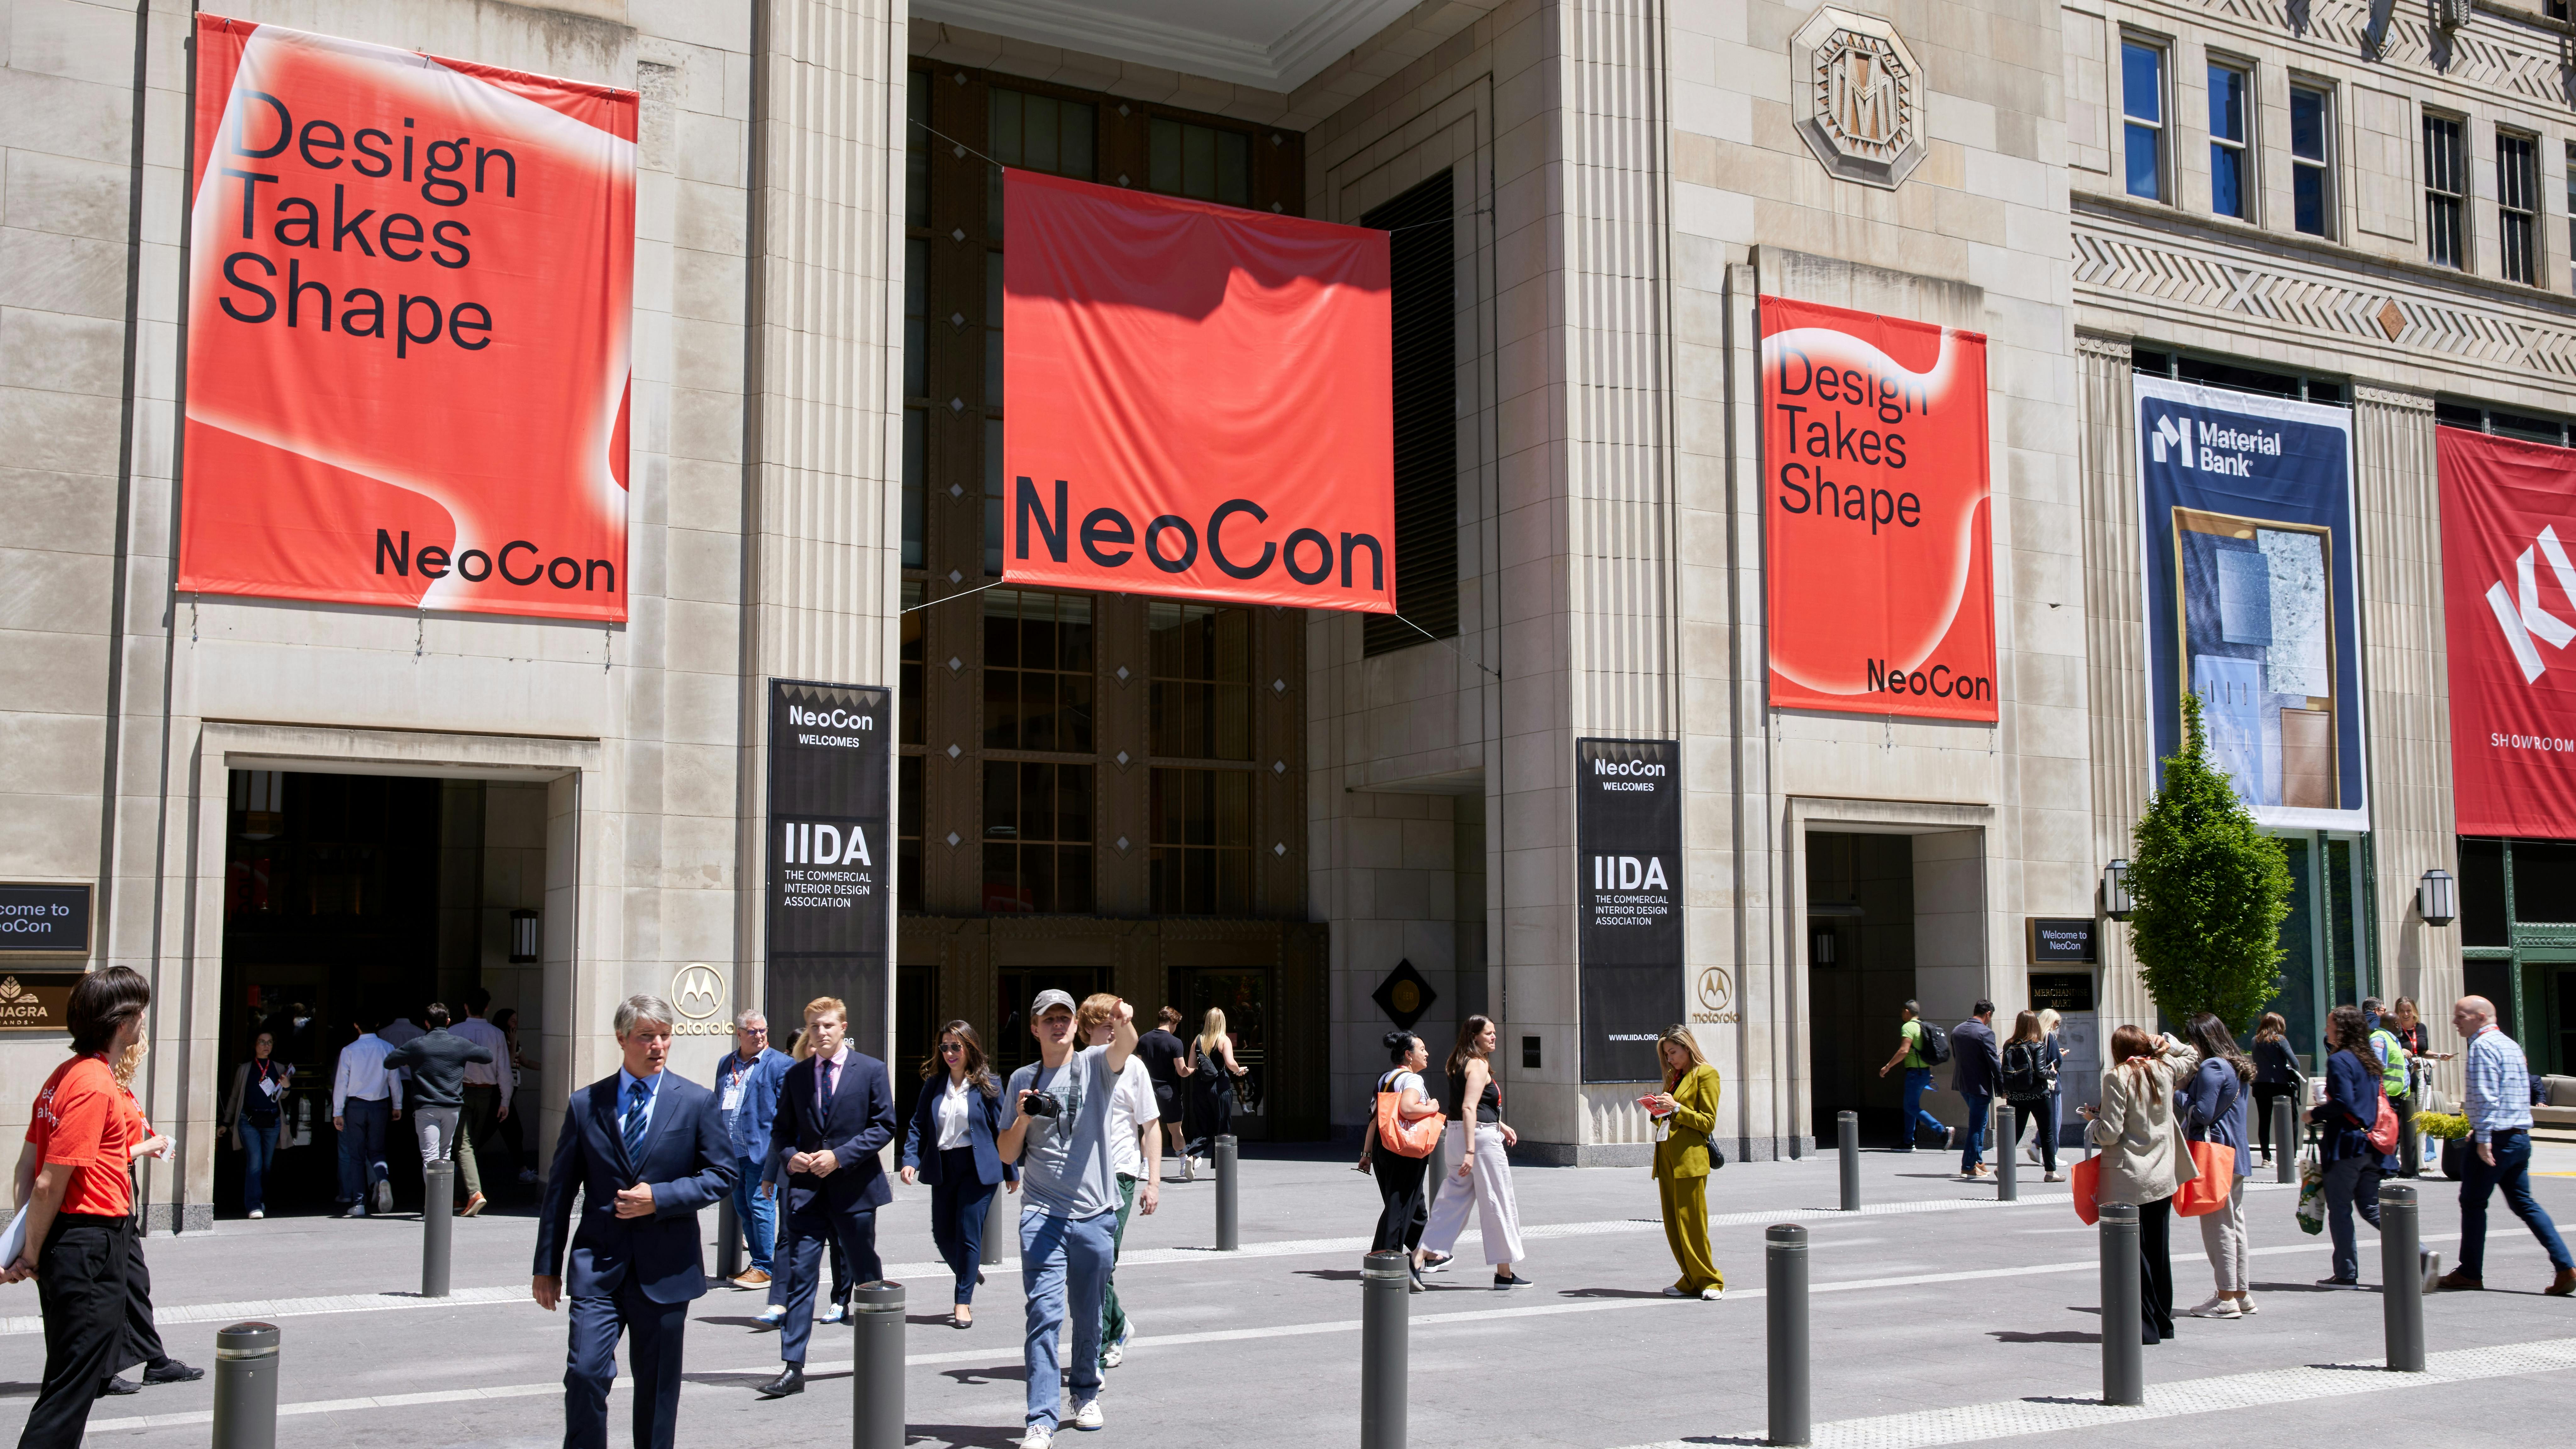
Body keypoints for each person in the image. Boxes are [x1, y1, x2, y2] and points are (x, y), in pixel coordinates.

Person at [531, 994, 735, 1449]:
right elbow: (560, 1192)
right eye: (647, 1037)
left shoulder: (696, 1102)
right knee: (584, 1374)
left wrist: (659, 1199)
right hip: (598, 1267)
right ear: (622, 1039)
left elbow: (723, 1175)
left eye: (665, 1036)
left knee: (658, 1391)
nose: (658, 1045)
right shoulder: (587, 1104)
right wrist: (546, 1266)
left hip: (667, 1270)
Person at [6, 966, 152, 1449]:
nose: (143, 1023)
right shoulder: (92, 1082)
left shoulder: (62, 1077)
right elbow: (49, 1181)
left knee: (68, 1375)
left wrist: (30, 1244)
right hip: (89, 1242)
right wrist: (28, 1253)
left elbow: (26, 1170)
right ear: (122, 1021)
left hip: (74, 1243)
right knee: (74, 1385)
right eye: (140, 1013)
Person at [997, 990, 1141, 1449]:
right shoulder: (1023, 1078)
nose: (1058, 1026)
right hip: (1042, 1215)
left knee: (1089, 1313)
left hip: (1095, 1213)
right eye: (1048, 1020)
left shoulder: (1095, 1064)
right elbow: (1006, 1152)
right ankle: (1040, 1418)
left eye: (1064, 1018)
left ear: (1074, 1026)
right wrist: (1022, 1117)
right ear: (1035, 1028)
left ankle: (1084, 1392)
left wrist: (1125, 1019)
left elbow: (1126, 1046)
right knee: (1043, 1315)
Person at [755, 997, 896, 1399]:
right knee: (801, 1277)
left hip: (854, 1191)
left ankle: (878, 1355)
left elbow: (884, 1125)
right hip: (806, 1195)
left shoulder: (869, 1070)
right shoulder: (797, 1076)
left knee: (866, 1274)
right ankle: (792, 1366)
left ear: (843, 1027)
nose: (821, 1033)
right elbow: (781, 1132)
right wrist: (790, 1157)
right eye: (815, 1027)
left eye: (829, 1026)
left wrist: (840, 1157)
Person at [2436, 995, 2576, 1295]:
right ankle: (2565, 1266)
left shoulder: (2482, 1047)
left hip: (2496, 1139)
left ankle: (2470, 1273)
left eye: (2461, 1016)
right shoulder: (2511, 1045)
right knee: (2525, 1203)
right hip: (2519, 1137)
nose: (2455, 1022)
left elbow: (2486, 1096)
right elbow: (2516, 1090)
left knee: (2473, 1203)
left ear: (2481, 1017)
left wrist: (2483, 1138)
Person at [2080, 1024, 2200, 1344]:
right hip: (2161, 1175)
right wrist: (2165, 1046)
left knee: (2134, 1254)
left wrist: (2093, 1122)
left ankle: (2144, 1327)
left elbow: (2110, 1133)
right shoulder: (2163, 1069)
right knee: (2158, 1250)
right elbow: (2191, 1055)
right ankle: (2163, 1322)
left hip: (2128, 1177)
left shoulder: (2117, 1077)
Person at [99, 1043, 201, 1398]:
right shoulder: (103, 1085)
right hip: (109, 1195)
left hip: (124, 1191)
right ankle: (103, 1369)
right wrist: (144, 1148)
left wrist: (148, 1144)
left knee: (134, 1281)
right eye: (137, 1051)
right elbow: (99, 1152)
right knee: (118, 1285)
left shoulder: (122, 1088)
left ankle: (154, 1360)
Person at [899, 1019, 1016, 1328]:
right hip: (944, 1166)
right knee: (942, 1234)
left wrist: (1011, 1170)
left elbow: (1002, 1129)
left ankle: (962, 1302)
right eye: (945, 1047)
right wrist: (910, 1159)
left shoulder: (987, 1083)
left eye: (956, 1046)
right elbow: (917, 1125)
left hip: (978, 1169)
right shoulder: (934, 1084)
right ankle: (968, 1270)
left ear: (969, 1048)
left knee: (968, 1235)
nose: (950, 1052)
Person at [1421, 1014, 1531, 1289]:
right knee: (1498, 1203)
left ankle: (1418, 1257)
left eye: (1494, 1033)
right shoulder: (1479, 1064)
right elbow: (1471, 1107)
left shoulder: (1458, 1063)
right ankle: (1503, 1274)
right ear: (1475, 1037)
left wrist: (1500, 1125)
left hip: (1458, 1135)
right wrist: (1472, 1150)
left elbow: (1469, 1106)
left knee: (1452, 1202)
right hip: (1478, 1142)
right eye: (1489, 1034)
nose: (1494, 1037)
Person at [1083, 994, 1161, 1371]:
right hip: (1083, 1179)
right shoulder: (1076, 1065)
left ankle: (1098, 1347)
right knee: (1088, 1264)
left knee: (1102, 1262)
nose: (1111, 1032)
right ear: (1086, 1031)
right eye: (1103, 1026)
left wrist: (1153, 1182)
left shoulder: (1134, 1068)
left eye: (1115, 1026)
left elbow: (1151, 1126)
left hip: (1120, 1175)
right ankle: (1118, 1326)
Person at [2309, 1003, 2393, 1289]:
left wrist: (2315, 1114)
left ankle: (2346, 1274)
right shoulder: (2368, 1059)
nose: (2326, 1029)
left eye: (2330, 1024)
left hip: (2346, 1145)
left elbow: (2344, 1102)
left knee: (2341, 1209)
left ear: (2342, 1029)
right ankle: (2418, 1253)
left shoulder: (2340, 1060)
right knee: (2371, 1207)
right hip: (2373, 1143)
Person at [385, 1003, 495, 1213]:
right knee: (444, 1157)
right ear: (448, 1022)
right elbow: (487, 1057)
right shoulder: (459, 1044)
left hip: (427, 1107)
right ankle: (441, 1205)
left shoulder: (418, 1045)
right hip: (453, 1107)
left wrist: (412, 1060)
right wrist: (467, 1048)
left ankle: (434, 1207)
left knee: (430, 1157)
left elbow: (389, 1062)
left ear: (426, 1023)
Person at [2179, 1012, 2254, 1319]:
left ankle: (2225, 1298)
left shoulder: (2212, 1067)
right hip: (2235, 1154)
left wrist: (2178, 1095)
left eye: (2191, 1040)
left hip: (2215, 1154)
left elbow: (2203, 1113)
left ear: (2201, 1040)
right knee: (2234, 1224)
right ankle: (2240, 1293)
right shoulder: (2236, 1066)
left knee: (2217, 1227)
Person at [713, 1010, 791, 1291]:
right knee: (744, 1208)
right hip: (732, 1152)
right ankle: (757, 1263)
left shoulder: (781, 1064)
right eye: (753, 1031)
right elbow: (717, 1100)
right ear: (739, 1034)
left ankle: (764, 1267)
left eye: (763, 1031)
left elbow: (787, 1111)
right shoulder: (726, 1063)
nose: (759, 1036)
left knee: (761, 1207)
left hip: (763, 1150)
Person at [1647, 1024, 1725, 1300]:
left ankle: (1711, 1280)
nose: (1670, 1059)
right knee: (1673, 1223)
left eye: (1673, 1052)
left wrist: (1677, 1108)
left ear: (1687, 1047)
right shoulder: (1674, 1077)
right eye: (1667, 1055)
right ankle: (1691, 1278)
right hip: (1667, 1156)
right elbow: (1666, 1116)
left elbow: (1708, 1122)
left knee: (1692, 1223)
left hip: (1690, 1159)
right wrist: (1657, 1109)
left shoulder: (1707, 1074)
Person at [1363, 1031, 1441, 1290]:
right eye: (1422, 1049)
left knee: (1408, 1203)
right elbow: (1408, 1109)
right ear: (1409, 1055)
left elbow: (1375, 1119)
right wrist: (1432, 1108)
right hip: (1405, 1148)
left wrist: (1366, 1154)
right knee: (1400, 1204)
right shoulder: (1413, 1080)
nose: (1427, 1053)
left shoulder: (1385, 1079)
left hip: (1383, 1146)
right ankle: (1386, 1259)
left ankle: (1430, 1250)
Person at [331, 1013, 404, 1217]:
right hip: (380, 1105)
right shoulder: (387, 1048)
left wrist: (338, 1111)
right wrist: (397, 1105)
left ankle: (359, 1203)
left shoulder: (349, 1051)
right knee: (377, 1151)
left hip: (355, 1107)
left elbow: (341, 1083)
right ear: (378, 1023)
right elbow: (394, 1080)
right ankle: (382, 1179)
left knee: (356, 1156)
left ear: (356, 1025)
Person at [452, 988, 513, 1215]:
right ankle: (461, 1196)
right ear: (487, 1007)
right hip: (487, 1094)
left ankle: (473, 1194)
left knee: (463, 1145)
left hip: (461, 1092)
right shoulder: (496, 1034)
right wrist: (505, 1100)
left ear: (466, 1007)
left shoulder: (454, 1031)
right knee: (469, 1145)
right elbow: (503, 1069)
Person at [222, 1030, 293, 1219]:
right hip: (249, 1122)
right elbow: (235, 1096)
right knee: (255, 1163)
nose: (266, 1046)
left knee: (266, 1165)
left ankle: (260, 1199)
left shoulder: (278, 1068)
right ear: (254, 1045)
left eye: (269, 1043)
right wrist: (226, 1122)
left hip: (272, 1121)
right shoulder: (245, 1069)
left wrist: (286, 1087)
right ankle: (253, 1205)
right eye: (262, 1042)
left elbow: (282, 1096)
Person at [1874, 1000, 1954, 1152]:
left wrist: (1888, 1066)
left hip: (1915, 1073)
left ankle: (1942, 1131)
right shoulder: (1922, 1026)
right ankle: (1908, 1141)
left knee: (1910, 1106)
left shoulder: (1909, 1027)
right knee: (1910, 1107)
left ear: (1906, 1012)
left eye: (1902, 1012)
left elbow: (1904, 1051)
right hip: (1923, 1072)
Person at [2389, 998, 2449, 1176]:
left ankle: (2421, 1159)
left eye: (2409, 1011)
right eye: (2402, 1011)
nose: (2406, 1014)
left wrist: (2439, 1056)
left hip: (2421, 1074)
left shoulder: (2421, 1028)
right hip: (2404, 1076)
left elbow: (2423, 1051)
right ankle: (2402, 1158)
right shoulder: (2396, 1029)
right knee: (2406, 1115)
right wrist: (2402, 1053)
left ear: (2414, 1011)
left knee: (2421, 1116)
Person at [1998, 1010, 2059, 1182]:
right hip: (2038, 1096)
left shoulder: (2009, 1045)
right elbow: (2040, 1071)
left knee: (2014, 1134)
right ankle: (2051, 1173)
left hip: (2016, 1096)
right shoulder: (2038, 1045)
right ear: (2034, 1025)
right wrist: (2052, 1073)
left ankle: (2002, 1167)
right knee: (2047, 1133)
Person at [1184, 1007, 1248, 1168]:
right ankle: (1223, 1166)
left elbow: (1191, 1066)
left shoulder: (1198, 1040)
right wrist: (1239, 1070)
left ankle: (1192, 1155)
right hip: (1220, 1089)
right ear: (1222, 1022)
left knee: (1203, 1126)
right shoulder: (1223, 1040)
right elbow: (1230, 1063)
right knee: (1222, 1127)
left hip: (1201, 1089)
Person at [1135, 1008, 1191, 1180]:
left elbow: (1138, 1066)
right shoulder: (1175, 1042)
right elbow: (1182, 1071)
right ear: (1172, 1022)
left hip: (1147, 1090)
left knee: (1149, 1130)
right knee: (1176, 1131)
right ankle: (1183, 1164)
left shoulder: (1143, 1039)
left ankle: (1146, 1168)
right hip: (1169, 1091)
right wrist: (1193, 1070)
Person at [2365, 1004, 2418, 1180]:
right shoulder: (2379, 1038)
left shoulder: (2391, 1039)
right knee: (2386, 1132)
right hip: (2387, 1095)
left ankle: (2390, 1167)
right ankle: (2385, 1168)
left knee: (2394, 1133)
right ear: (2396, 1025)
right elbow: (2376, 1066)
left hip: (2397, 1094)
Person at [1951, 1000, 2000, 1180]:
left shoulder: (1957, 1031)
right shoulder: (1985, 1033)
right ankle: (1969, 1165)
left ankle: (1978, 1161)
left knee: (1981, 1121)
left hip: (1964, 1084)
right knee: (1977, 1127)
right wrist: (2002, 1088)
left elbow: (1958, 1058)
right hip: (1980, 1086)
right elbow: (1994, 1063)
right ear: (1988, 1014)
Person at [2248, 1013, 2302, 1167]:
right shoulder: (2280, 1040)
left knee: (2264, 1121)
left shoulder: (2255, 1041)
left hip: (2260, 1085)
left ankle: (2267, 1158)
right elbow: (2295, 1063)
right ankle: (2291, 1156)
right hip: (2281, 1085)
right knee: (2291, 1120)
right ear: (2279, 1025)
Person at [492, 1007, 537, 1183]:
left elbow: (525, 1062)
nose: (516, 1023)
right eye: (512, 1020)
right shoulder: (501, 1039)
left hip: (509, 1094)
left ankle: (523, 1170)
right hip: (501, 1094)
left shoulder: (514, 1041)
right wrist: (513, 1041)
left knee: (512, 1133)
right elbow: (506, 1064)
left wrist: (549, 1066)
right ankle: (523, 1171)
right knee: (514, 1132)